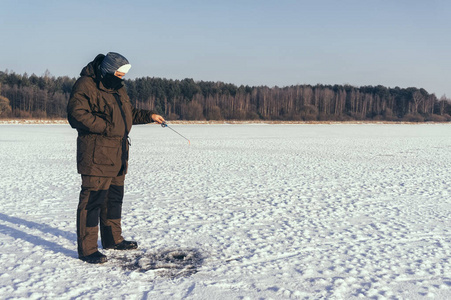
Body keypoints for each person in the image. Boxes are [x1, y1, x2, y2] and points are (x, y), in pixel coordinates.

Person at [67, 52, 165, 264]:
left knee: (113, 200)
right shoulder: (86, 85)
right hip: (96, 155)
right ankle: (88, 249)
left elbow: (127, 113)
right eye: (118, 73)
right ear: (108, 70)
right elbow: (76, 114)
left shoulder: (117, 87)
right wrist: (106, 127)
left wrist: (149, 116)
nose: (121, 78)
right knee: (91, 202)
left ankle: (112, 239)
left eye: (123, 75)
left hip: (117, 155)